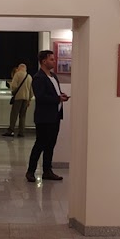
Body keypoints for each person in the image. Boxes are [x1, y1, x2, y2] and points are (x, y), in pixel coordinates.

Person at [26, 49, 69, 182]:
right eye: (51, 59)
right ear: (44, 61)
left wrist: (61, 96)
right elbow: (40, 97)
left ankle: (47, 170)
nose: (54, 61)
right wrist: (57, 98)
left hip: (55, 116)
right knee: (40, 144)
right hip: (44, 117)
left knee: (50, 144)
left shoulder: (53, 76)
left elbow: (54, 93)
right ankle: (30, 171)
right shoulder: (38, 77)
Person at [3, 63, 33, 137]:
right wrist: (29, 99)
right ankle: (21, 132)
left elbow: (14, 86)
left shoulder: (17, 74)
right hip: (26, 98)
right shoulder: (29, 77)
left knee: (14, 114)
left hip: (18, 97)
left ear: (19, 68)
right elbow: (31, 91)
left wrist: (12, 91)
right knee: (22, 115)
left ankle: (11, 130)